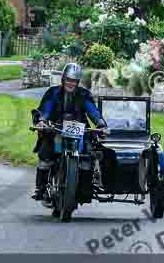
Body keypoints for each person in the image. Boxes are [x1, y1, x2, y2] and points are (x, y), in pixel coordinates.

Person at [31, 62, 108, 201]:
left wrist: (101, 124)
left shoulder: (84, 94)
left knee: (87, 157)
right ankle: (40, 188)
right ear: (63, 79)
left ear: (77, 82)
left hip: (79, 130)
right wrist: (42, 120)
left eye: (74, 81)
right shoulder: (53, 92)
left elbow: (92, 111)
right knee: (45, 156)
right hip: (55, 129)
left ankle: (84, 190)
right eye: (68, 80)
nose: (70, 83)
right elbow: (46, 108)